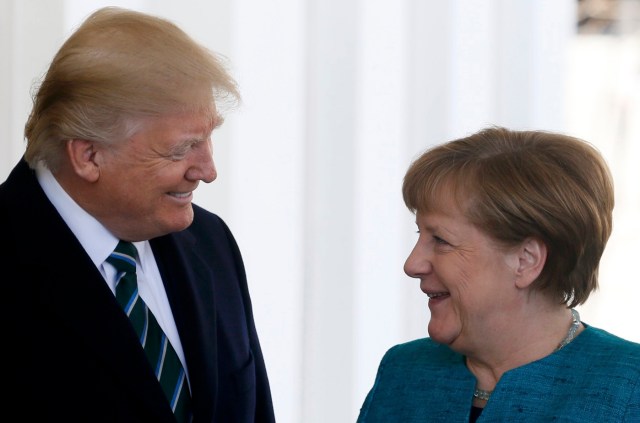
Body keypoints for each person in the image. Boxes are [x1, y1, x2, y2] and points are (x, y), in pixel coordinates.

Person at [1, 6, 275, 423]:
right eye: (182, 147)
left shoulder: (211, 241)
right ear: (89, 155)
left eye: (208, 139)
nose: (208, 171)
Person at [356, 126, 640, 422]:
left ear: (525, 261)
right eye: (420, 234)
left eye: (440, 240)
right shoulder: (402, 373)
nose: (412, 264)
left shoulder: (630, 390)